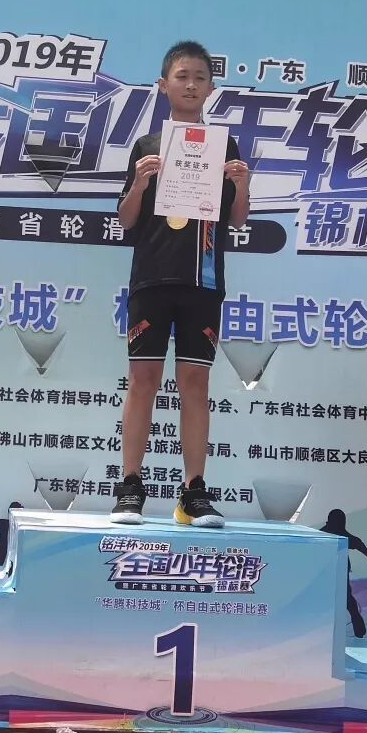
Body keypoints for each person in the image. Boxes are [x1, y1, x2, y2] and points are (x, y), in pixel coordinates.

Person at [110, 40, 250, 527]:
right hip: (151, 278)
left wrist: (243, 184)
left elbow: (237, 218)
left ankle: (193, 491)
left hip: (204, 281)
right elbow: (126, 220)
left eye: (200, 78)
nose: (191, 85)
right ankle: (130, 485)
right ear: (163, 85)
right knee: (143, 380)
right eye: (182, 76)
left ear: (211, 88)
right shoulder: (147, 147)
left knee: (195, 382)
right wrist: (139, 184)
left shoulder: (224, 147)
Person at [320, 508, 367, 638]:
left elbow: (358, 543)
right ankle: (358, 630)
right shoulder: (331, 534)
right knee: (347, 602)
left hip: (337, 572)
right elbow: (358, 543)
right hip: (332, 572)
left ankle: (358, 630)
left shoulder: (327, 534)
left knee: (346, 601)